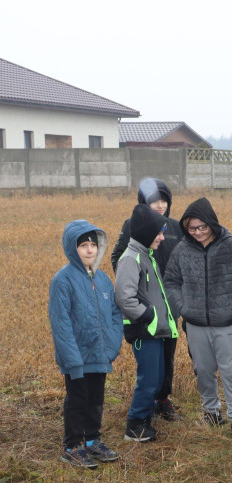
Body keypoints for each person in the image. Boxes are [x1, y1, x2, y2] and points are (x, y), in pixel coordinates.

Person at [164, 197, 232, 440]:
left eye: (202, 227)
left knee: (231, 370)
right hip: (195, 324)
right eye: (192, 228)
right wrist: (182, 306)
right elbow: (171, 281)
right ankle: (211, 412)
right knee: (203, 369)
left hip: (227, 323)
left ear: (212, 224)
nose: (197, 232)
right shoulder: (182, 250)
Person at [49, 221, 123, 468]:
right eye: (83, 245)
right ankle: (72, 446)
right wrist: (72, 360)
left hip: (99, 356)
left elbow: (114, 314)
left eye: (93, 244)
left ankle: (92, 441)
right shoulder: (63, 280)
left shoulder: (102, 279)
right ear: (73, 248)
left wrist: (111, 346)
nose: (90, 250)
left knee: (96, 400)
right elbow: (61, 324)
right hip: (77, 358)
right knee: (78, 400)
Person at [111, 178, 184, 423]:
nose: (160, 205)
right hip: (145, 307)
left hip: (170, 305)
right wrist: (138, 290)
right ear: (144, 203)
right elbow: (118, 259)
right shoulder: (132, 226)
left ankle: (163, 399)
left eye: (164, 200)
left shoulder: (174, 227)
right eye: (154, 201)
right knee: (150, 360)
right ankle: (145, 408)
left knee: (167, 356)